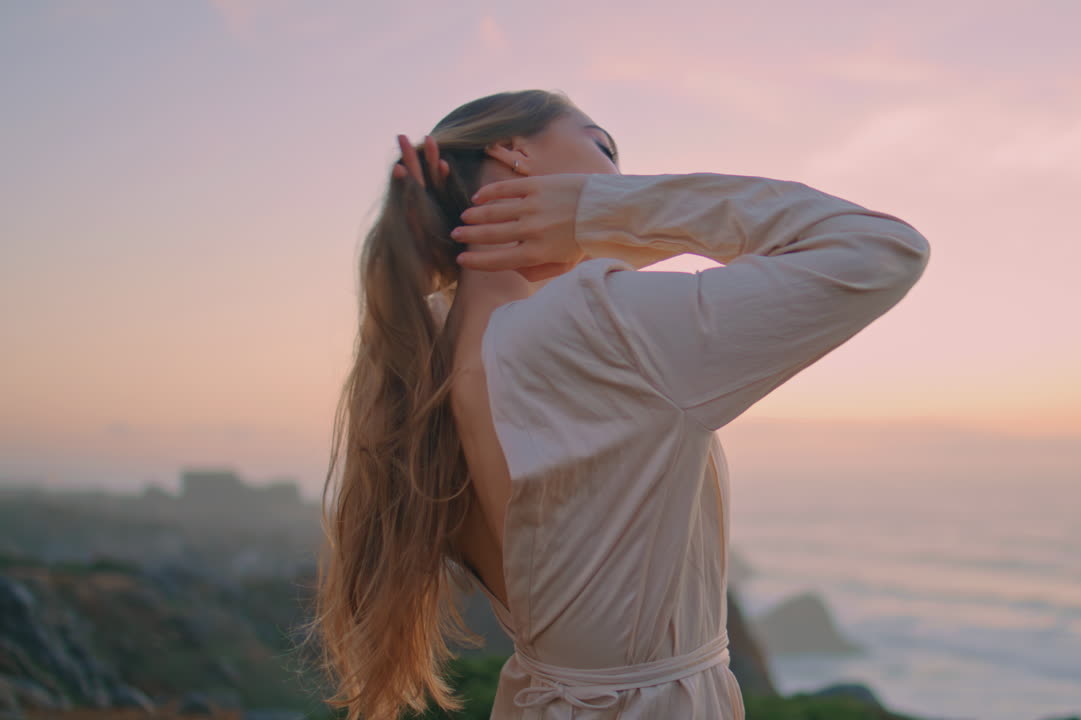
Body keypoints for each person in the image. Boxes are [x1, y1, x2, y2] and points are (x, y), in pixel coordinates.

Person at [301, 89, 931, 720]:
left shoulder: (434, 356)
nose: (620, 177)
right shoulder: (590, 327)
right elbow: (880, 247)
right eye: (604, 149)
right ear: (514, 152)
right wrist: (607, 211)